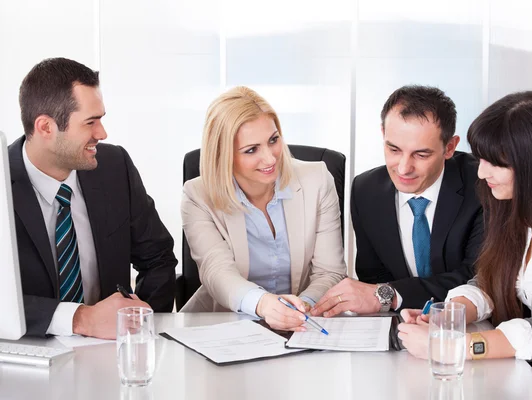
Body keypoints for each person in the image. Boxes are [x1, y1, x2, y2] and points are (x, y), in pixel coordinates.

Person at [398, 91, 532, 400]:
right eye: (481, 160)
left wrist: (448, 347)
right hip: (524, 380)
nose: (481, 172)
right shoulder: (513, 202)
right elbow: (490, 279)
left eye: (495, 163)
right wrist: (447, 316)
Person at [9, 58, 177, 339]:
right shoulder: (3, 184)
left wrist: (138, 323)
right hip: (30, 353)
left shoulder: (114, 166)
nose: (102, 133)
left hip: (110, 352)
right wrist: (80, 320)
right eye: (91, 122)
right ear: (46, 127)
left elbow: (158, 258)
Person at [180, 86, 346, 331]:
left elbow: (329, 272)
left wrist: (301, 308)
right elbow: (217, 272)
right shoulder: (197, 196)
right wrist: (265, 305)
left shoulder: (317, 180)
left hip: (304, 323)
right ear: (223, 155)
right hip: (223, 325)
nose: (270, 159)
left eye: (273, 140)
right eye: (251, 150)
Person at [311, 85, 482, 318]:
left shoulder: (482, 185)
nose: (403, 168)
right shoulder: (365, 190)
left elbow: (477, 276)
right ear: (383, 133)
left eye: (421, 155)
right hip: (398, 324)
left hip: (466, 324)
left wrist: (391, 295)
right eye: (393, 149)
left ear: (449, 147)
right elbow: (373, 277)